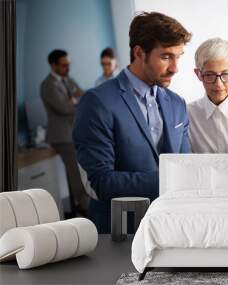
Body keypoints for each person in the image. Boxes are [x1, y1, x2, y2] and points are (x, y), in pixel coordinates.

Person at [73, 12, 192, 233]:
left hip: (173, 227)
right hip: (120, 232)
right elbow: (102, 182)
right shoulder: (97, 103)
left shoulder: (177, 104)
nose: (175, 67)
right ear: (139, 53)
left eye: (179, 56)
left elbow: (186, 167)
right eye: (166, 57)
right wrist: (170, 181)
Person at [40, 49, 88, 217]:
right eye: (63, 65)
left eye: (68, 64)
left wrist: (75, 99)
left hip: (74, 131)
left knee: (85, 166)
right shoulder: (48, 85)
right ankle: (84, 206)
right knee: (75, 169)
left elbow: (85, 96)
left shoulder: (69, 79)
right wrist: (75, 99)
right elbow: (64, 108)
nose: (67, 67)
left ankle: (87, 201)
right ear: (53, 65)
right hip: (61, 136)